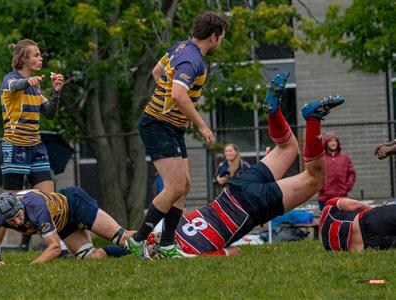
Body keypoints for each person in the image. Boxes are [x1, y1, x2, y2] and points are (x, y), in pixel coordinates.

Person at [143, 72, 345, 257]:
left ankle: (313, 118)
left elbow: (235, 251)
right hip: (234, 190)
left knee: (315, 179)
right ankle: (273, 113)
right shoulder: (169, 228)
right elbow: (137, 236)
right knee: (288, 148)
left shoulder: (188, 255)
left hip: (250, 208)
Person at [126, 11, 228, 259]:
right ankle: (138, 241)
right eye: (222, 37)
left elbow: (156, 72)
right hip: (158, 125)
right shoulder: (193, 60)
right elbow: (178, 95)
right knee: (174, 187)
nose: (221, 42)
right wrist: (202, 126)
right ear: (213, 37)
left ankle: (168, 245)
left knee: (184, 186)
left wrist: (169, 107)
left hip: (170, 125)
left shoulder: (180, 46)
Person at [0, 39, 67, 261]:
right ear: (23, 59)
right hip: (15, 147)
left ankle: (56, 246)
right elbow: (14, 86)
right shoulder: (11, 80)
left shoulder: (35, 85)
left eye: (40, 54)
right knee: (9, 204)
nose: (40, 58)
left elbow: (50, 112)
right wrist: (28, 81)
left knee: (48, 197)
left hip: (36, 147)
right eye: (36, 55)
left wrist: (56, 92)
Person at [0, 187, 133, 265]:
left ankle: (156, 239)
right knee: (90, 257)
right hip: (64, 225)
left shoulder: (37, 207)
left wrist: (30, 267)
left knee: (122, 237)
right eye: (11, 221)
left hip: (76, 205)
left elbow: (55, 247)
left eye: (18, 216)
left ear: (21, 206)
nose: (17, 222)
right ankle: (134, 252)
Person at [318, 197, 396, 251]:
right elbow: (356, 205)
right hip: (366, 222)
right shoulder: (328, 206)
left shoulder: (328, 246)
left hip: (369, 245)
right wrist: (375, 211)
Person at [317, 132, 356, 211]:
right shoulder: (321, 158)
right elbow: (316, 174)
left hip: (341, 197)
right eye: (330, 141)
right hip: (324, 198)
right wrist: (321, 187)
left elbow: (351, 173)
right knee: (325, 221)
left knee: (341, 220)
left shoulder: (345, 157)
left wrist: (348, 186)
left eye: (335, 141)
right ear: (326, 143)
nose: (333, 143)